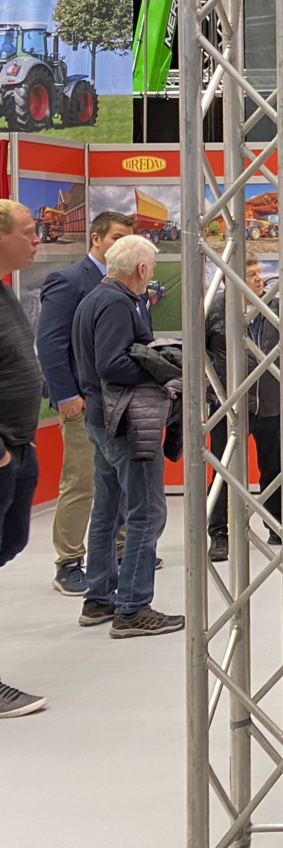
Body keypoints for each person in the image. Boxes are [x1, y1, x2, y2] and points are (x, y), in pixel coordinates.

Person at [73, 234, 183, 638]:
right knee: (147, 513)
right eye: (150, 268)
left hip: (101, 419)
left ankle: (99, 598)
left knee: (108, 511)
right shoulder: (118, 303)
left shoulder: (95, 298)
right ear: (141, 268)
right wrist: (163, 369)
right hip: (125, 424)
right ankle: (133, 608)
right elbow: (112, 364)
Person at [34, 210, 137, 596]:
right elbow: (50, 343)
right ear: (96, 239)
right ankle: (69, 562)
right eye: (116, 238)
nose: (123, 246)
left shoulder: (127, 282)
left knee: (122, 480)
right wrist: (66, 396)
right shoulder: (69, 281)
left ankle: (120, 550)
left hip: (122, 401)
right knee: (81, 482)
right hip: (84, 402)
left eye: (128, 239)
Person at [208, 260, 283, 560]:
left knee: (275, 469)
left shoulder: (276, 307)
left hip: (270, 403)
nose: (260, 279)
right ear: (233, 280)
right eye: (251, 275)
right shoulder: (214, 310)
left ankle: (277, 526)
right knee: (223, 471)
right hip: (229, 407)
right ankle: (219, 535)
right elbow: (201, 356)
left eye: (260, 273)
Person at [0, 199, 47, 716]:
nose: (37, 240)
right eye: (29, 231)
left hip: (18, 445)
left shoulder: (5, 292)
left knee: (10, 543)